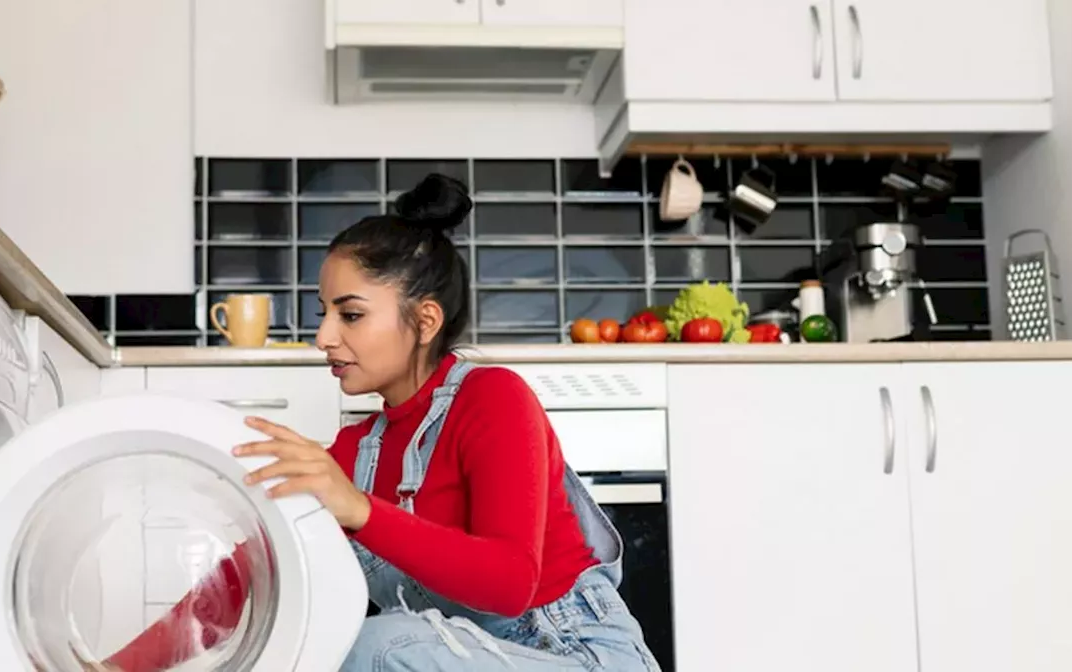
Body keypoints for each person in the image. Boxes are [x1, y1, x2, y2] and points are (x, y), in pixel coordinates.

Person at [75, 174, 659, 671]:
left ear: (424, 320)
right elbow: (246, 579)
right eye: (323, 314)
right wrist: (115, 667)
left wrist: (356, 508)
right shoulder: (355, 451)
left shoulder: (493, 398)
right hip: (460, 657)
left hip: (575, 655)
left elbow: (509, 585)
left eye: (350, 314)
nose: (324, 337)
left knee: (380, 648)